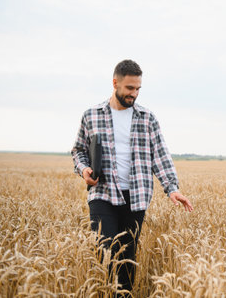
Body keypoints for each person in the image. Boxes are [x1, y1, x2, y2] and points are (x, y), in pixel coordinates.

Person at [71, 59, 193, 296]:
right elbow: (79, 151)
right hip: (102, 194)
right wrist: (84, 169)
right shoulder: (91, 115)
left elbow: (160, 155)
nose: (134, 94)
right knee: (104, 251)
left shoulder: (147, 118)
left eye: (138, 89)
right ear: (115, 83)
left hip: (136, 197)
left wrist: (172, 188)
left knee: (127, 258)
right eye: (129, 88)